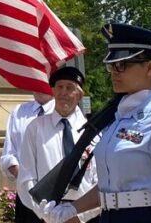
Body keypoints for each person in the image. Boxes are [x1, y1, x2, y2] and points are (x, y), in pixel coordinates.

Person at [41, 25, 151, 223]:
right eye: (112, 66)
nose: (114, 72)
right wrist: (71, 208)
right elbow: (110, 187)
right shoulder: (116, 119)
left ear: (150, 68)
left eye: (122, 65)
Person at [17, 67, 99, 223]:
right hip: (47, 213)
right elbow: (26, 178)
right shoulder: (36, 128)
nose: (63, 92)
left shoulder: (92, 131)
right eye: (60, 87)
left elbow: (100, 180)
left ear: (79, 94)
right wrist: (46, 215)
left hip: (85, 214)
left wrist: (80, 216)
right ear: (53, 91)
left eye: (69, 88)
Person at [1, 92, 55, 223]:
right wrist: (27, 180)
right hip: (26, 194)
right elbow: (9, 154)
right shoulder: (19, 112)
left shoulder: (63, 112)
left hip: (55, 195)